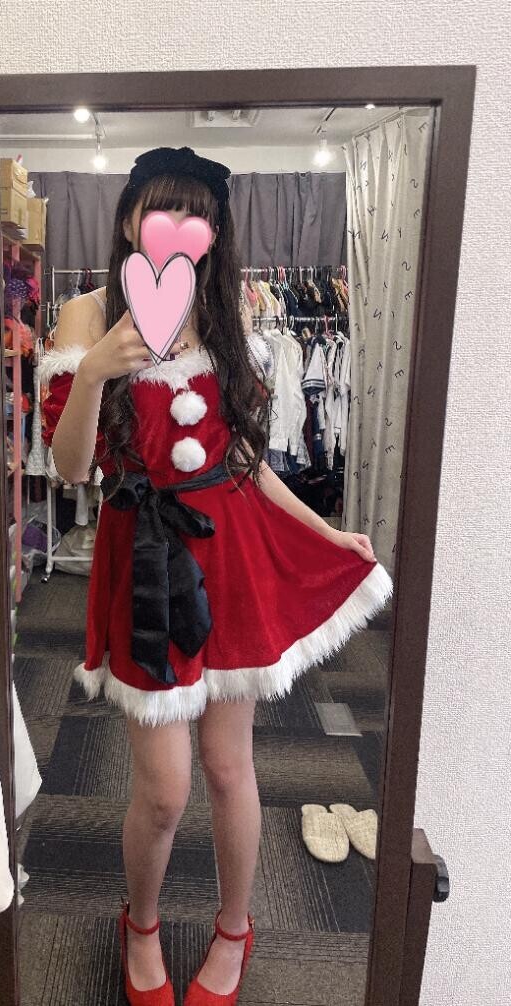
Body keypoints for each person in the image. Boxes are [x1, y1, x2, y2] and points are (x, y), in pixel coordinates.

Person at [39, 146, 393, 1006]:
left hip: (226, 552)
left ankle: (237, 927)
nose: (177, 227)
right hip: (143, 558)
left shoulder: (219, 311)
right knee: (164, 790)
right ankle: (141, 925)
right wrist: (94, 371)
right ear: (130, 216)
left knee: (231, 769)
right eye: (161, 208)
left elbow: (245, 461)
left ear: (213, 232)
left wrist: (324, 529)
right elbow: (71, 468)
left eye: (196, 214)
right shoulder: (89, 313)